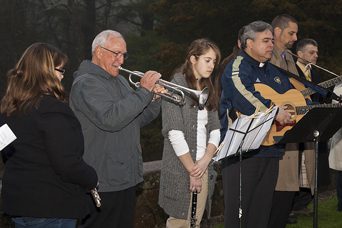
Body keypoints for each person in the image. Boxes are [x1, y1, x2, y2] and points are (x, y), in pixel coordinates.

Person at [69, 30, 162, 228]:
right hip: (102, 180)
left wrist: (153, 99)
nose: (121, 60)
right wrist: (144, 91)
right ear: (99, 52)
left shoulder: (119, 80)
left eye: (123, 54)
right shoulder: (86, 83)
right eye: (116, 53)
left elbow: (137, 119)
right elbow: (111, 118)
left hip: (125, 177)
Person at [0, 42, 98, 228]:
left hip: (19, 204)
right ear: (45, 72)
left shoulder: (8, 108)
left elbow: (6, 151)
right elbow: (67, 163)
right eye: (61, 70)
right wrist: (92, 178)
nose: (62, 77)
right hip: (51, 207)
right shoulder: (52, 110)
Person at [220, 20, 294, 228]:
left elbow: (289, 97)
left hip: (271, 151)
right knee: (238, 217)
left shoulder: (274, 72)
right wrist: (273, 110)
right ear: (248, 44)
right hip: (242, 154)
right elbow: (243, 95)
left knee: (261, 215)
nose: (271, 44)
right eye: (265, 40)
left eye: (272, 40)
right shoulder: (236, 66)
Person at [158, 38, 221, 228]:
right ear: (193, 59)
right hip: (182, 168)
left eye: (214, 62)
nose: (212, 66)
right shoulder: (175, 86)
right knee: (179, 222)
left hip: (203, 166)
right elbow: (174, 133)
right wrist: (193, 171)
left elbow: (216, 129)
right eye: (207, 60)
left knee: (194, 223)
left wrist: (205, 160)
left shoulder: (207, 88)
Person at [329, 84, 342, 212]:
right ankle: (341, 204)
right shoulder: (338, 89)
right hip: (340, 134)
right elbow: (334, 111)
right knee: (341, 171)